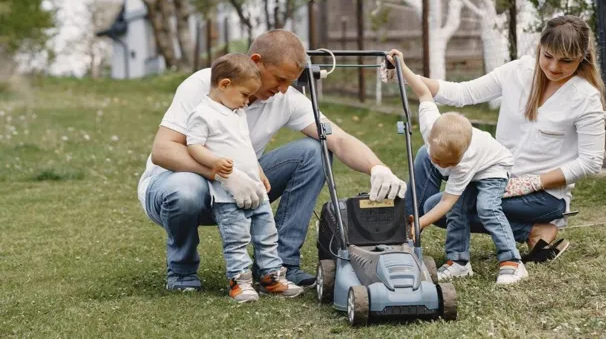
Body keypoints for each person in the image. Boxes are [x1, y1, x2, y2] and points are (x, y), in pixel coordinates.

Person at [138, 29, 407, 291]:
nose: (282, 90)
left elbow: (338, 138)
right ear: (256, 61)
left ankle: (278, 266)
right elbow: (164, 151)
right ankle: (182, 272)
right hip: (176, 189)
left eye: (290, 82)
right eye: (279, 79)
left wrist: (378, 167)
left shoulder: (285, 97)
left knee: (316, 151)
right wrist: (223, 175)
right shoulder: (204, 85)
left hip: (242, 192)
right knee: (185, 189)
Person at [409, 15, 606, 275]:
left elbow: (591, 162)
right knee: (427, 154)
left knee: (436, 207)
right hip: (495, 176)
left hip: (543, 195)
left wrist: (534, 181)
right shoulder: (519, 71)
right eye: (548, 56)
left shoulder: (585, 97)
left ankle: (533, 230)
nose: (554, 67)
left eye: (566, 61)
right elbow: (463, 93)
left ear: (582, 56)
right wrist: (406, 75)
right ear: (539, 48)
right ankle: (403, 234)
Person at [388, 50, 526, 285]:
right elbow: (423, 91)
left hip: (493, 167)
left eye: (449, 163)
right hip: (473, 163)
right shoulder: (431, 125)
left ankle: (513, 261)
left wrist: (420, 223)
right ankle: (459, 262)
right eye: (437, 160)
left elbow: (446, 202)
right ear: (431, 140)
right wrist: (400, 65)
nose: (441, 166)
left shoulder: (464, 162)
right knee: (458, 211)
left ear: (460, 157)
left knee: (486, 208)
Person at [186, 53, 302, 302]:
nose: (248, 102)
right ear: (225, 84)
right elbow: (193, 146)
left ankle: (271, 276)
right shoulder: (202, 114)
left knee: (267, 233)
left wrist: (258, 171)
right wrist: (214, 163)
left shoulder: (236, 112)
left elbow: (244, 145)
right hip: (228, 193)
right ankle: (239, 281)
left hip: (255, 188)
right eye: (244, 95)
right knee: (237, 237)